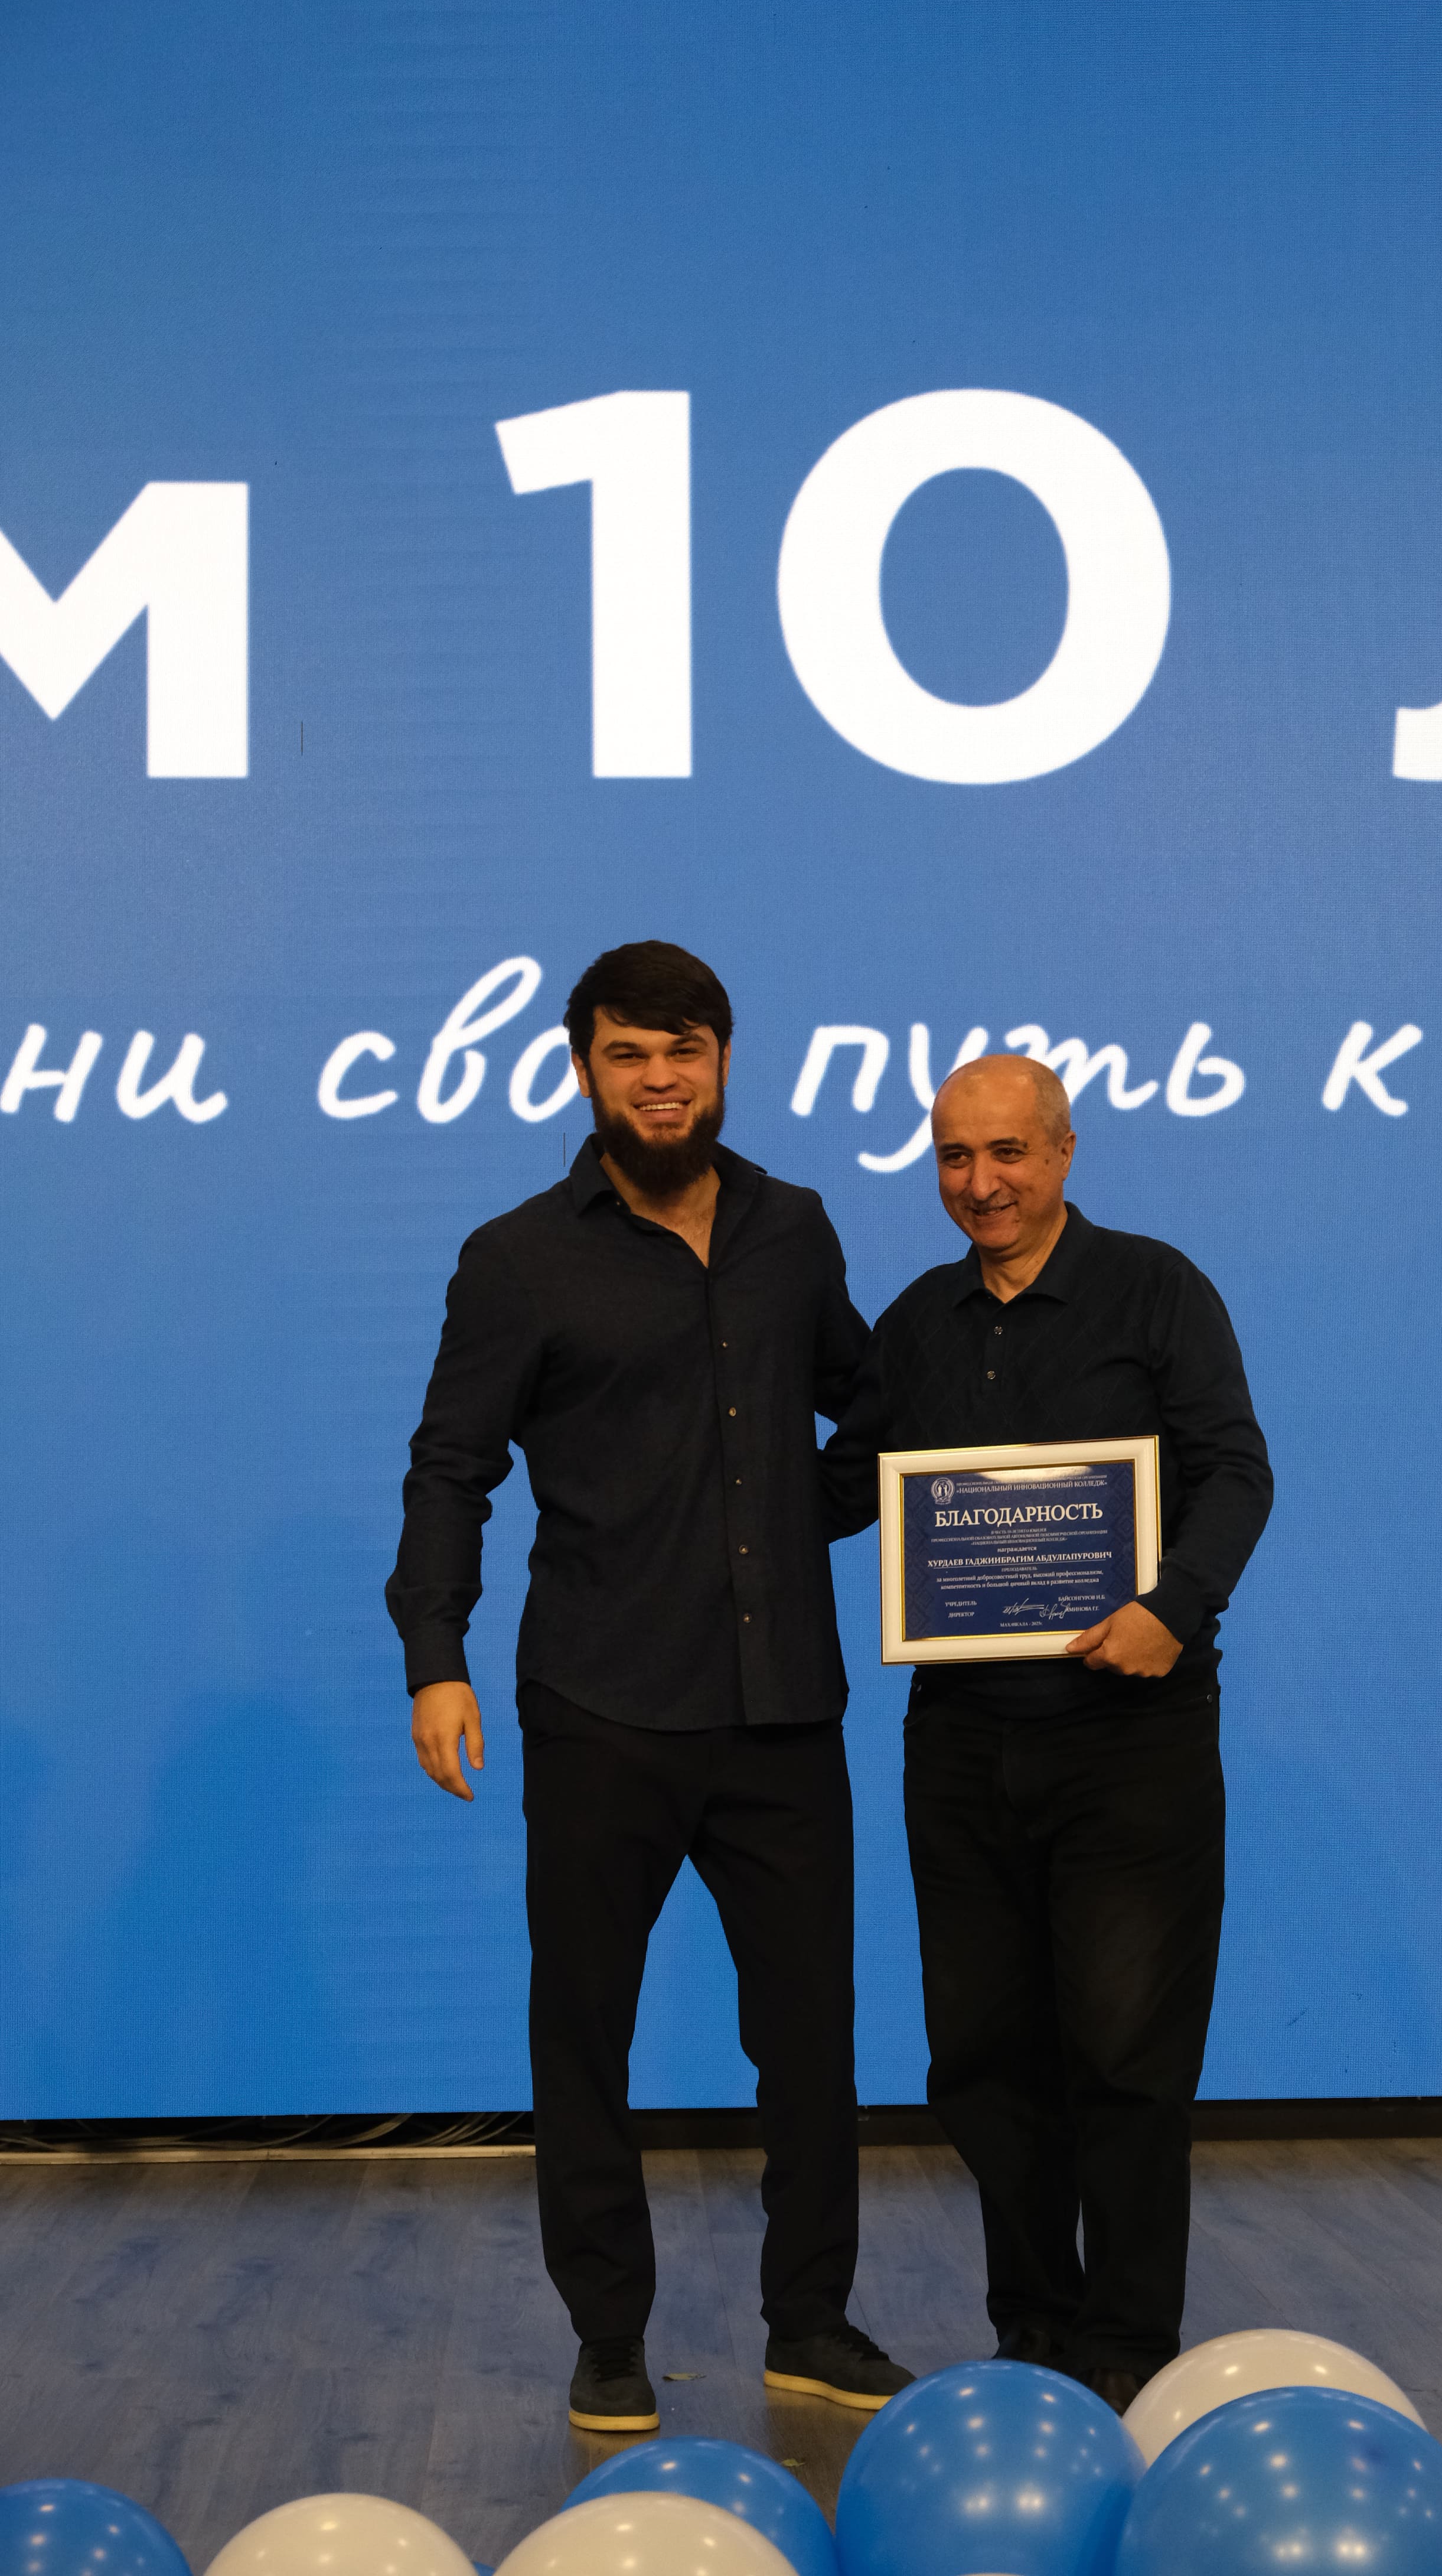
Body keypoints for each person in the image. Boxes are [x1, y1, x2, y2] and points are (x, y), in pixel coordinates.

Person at [386, 939, 912, 2432]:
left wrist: (798, 1514)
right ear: (584, 1071)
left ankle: (810, 2324)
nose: (660, 1079)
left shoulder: (793, 1228)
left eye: (684, 1051)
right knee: (584, 2037)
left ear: (723, 1062)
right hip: (601, 1706)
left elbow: (871, 1407)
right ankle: (608, 2337)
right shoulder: (515, 1259)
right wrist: (435, 1659)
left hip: (782, 1707)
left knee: (809, 2040)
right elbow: (450, 1469)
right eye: (629, 1054)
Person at [820, 1053, 1273, 2412]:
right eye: (955, 1158)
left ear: (1063, 1152)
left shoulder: (1156, 1291)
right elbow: (844, 1488)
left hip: (1129, 1737)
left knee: (1126, 2057)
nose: (981, 1184)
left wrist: (1174, 1606)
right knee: (979, 2057)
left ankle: (1127, 2345)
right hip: (960, 1744)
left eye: (1007, 1153)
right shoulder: (915, 1324)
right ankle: (1031, 2326)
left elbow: (1235, 1470)